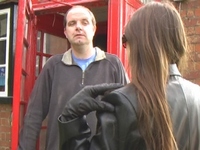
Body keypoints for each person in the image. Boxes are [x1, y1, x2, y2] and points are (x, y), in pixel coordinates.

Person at [58, 1, 200, 150]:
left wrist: (71, 116)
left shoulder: (122, 102)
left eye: (125, 40)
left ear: (139, 45)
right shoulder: (197, 95)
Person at [18, 5, 129, 150]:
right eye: (72, 23)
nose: (78, 27)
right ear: (65, 31)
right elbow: (34, 115)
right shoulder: (53, 66)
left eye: (84, 22)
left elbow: (127, 112)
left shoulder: (113, 64)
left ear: (94, 29)